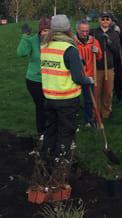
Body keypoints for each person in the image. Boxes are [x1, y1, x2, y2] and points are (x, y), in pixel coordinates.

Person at [40, 15, 93, 179]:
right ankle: (61, 168)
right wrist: (88, 79)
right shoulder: (69, 49)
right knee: (65, 134)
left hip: (49, 98)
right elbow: (78, 78)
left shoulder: (45, 46)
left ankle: (45, 163)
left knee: (50, 133)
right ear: (68, 29)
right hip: (66, 99)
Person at [17, 17, 50, 138]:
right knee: (41, 105)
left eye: (48, 30)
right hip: (34, 80)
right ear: (39, 31)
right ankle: (41, 131)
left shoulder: (53, 41)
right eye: (44, 30)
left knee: (50, 105)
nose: (46, 33)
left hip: (50, 79)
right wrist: (25, 36)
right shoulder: (32, 40)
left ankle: (50, 129)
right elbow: (21, 53)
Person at [91, 11, 121, 119]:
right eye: (103, 19)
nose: (105, 21)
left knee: (108, 92)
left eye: (107, 19)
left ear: (111, 21)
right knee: (96, 91)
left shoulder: (114, 33)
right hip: (96, 67)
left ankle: (106, 112)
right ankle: (96, 113)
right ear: (99, 20)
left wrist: (109, 42)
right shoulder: (93, 32)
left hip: (109, 67)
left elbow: (117, 51)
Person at [74, 19, 102, 127]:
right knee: (74, 100)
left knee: (89, 99)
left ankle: (88, 120)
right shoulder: (73, 42)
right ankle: (73, 120)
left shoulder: (94, 41)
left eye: (87, 31)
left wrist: (97, 51)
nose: (85, 33)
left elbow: (99, 57)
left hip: (89, 74)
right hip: (76, 75)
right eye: (82, 31)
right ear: (77, 30)